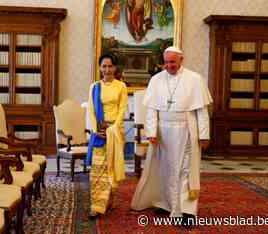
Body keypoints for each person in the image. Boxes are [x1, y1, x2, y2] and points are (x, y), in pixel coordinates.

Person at [130, 46, 213, 225]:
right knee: (165, 170)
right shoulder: (156, 80)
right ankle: (166, 204)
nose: (168, 66)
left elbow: (202, 111)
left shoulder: (194, 79)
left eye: (172, 62)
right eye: (166, 62)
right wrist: (151, 132)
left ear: (181, 60)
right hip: (163, 132)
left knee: (185, 170)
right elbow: (151, 109)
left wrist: (204, 135)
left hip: (186, 130)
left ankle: (187, 211)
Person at [87, 53, 128, 218]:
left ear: (115, 68)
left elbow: (122, 109)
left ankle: (109, 200)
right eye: (104, 66)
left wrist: (113, 129)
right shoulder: (94, 87)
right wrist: (98, 130)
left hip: (115, 133)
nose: (107, 69)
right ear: (99, 68)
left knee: (111, 169)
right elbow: (91, 110)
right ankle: (96, 206)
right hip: (99, 133)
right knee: (97, 171)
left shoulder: (121, 86)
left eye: (110, 66)